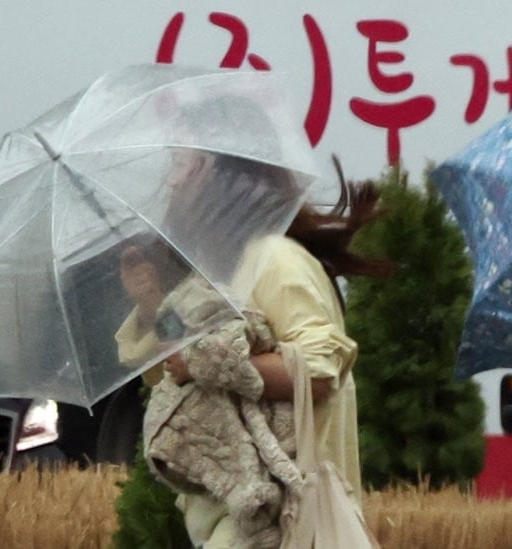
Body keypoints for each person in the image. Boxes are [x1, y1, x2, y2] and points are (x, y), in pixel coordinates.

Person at [118, 148, 390, 548]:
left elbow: (317, 372)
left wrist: (200, 361)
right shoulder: (219, 268)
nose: (172, 182)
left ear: (226, 178)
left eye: (184, 166)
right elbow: (176, 364)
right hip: (243, 524)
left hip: (287, 523)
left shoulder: (275, 260)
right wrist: (153, 305)